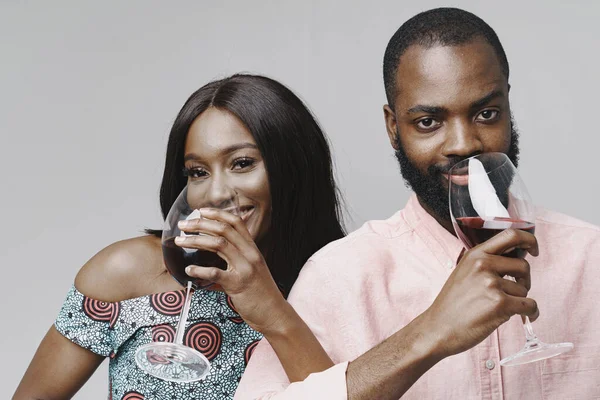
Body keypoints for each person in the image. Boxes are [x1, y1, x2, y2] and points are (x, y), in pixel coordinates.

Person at [235, 8, 600, 400]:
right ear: (394, 128)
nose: (463, 143)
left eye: (486, 113)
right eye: (429, 121)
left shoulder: (592, 260)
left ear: (509, 108)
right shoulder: (337, 280)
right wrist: (429, 333)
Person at [13, 73, 344, 400]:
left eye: (242, 163)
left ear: (295, 167)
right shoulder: (126, 273)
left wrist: (273, 312)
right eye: (198, 172)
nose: (215, 193)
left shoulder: (340, 285)